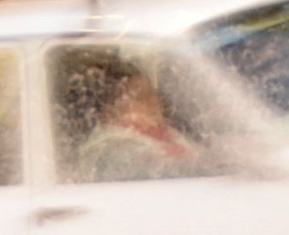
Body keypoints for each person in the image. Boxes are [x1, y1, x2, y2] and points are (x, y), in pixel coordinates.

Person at [75, 69, 204, 182]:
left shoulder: (168, 134)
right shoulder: (111, 147)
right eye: (141, 97)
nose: (154, 102)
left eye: (154, 95)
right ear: (112, 109)